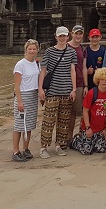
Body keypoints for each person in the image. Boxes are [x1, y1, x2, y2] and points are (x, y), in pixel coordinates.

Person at [38, 26, 77, 158]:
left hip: (66, 89)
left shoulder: (71, 52)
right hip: (53, 90)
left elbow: (73, 71)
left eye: (64, 36)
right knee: (49, 120)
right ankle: (43, 147)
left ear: (68, 37)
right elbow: (43, 70)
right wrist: (41, 88)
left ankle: (59, 145)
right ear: (56, 37)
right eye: (59, 36)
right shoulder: (49, 51)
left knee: (64, 120)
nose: (62, 38)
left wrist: (74, 89)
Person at [70, 67, 106, 155]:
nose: (104, 82)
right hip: (89, 127)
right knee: (87, 151)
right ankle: (75, 141)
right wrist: (87, 128)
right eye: (102, 79)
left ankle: (93, 142)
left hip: (101, 129)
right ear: (98, 80)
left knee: (101, 149)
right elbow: (85, 111)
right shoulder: (92, 93)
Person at [12, 39, 40, 162]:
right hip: (23, 95)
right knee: (19, 125)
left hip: (33, 95)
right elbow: (17, 85)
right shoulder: (20, 64)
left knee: (28, 125)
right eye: (30, 49)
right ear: (26, 50)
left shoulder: (36, 63)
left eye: (34, 49)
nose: (32, 51)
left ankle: (26, 148)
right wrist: (19, 101)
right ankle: (15, 151)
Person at [67, 24, 88, 138]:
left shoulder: (82, 49)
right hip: (66, 83)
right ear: (72, 34)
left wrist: (86, 85)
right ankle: (65, 136)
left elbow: (84, 67)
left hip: (79, 82)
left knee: (77, 111)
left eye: (80, 34)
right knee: (66, 112)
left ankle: (74, 136)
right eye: (76, 33)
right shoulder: (66, 46)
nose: (78, 36)